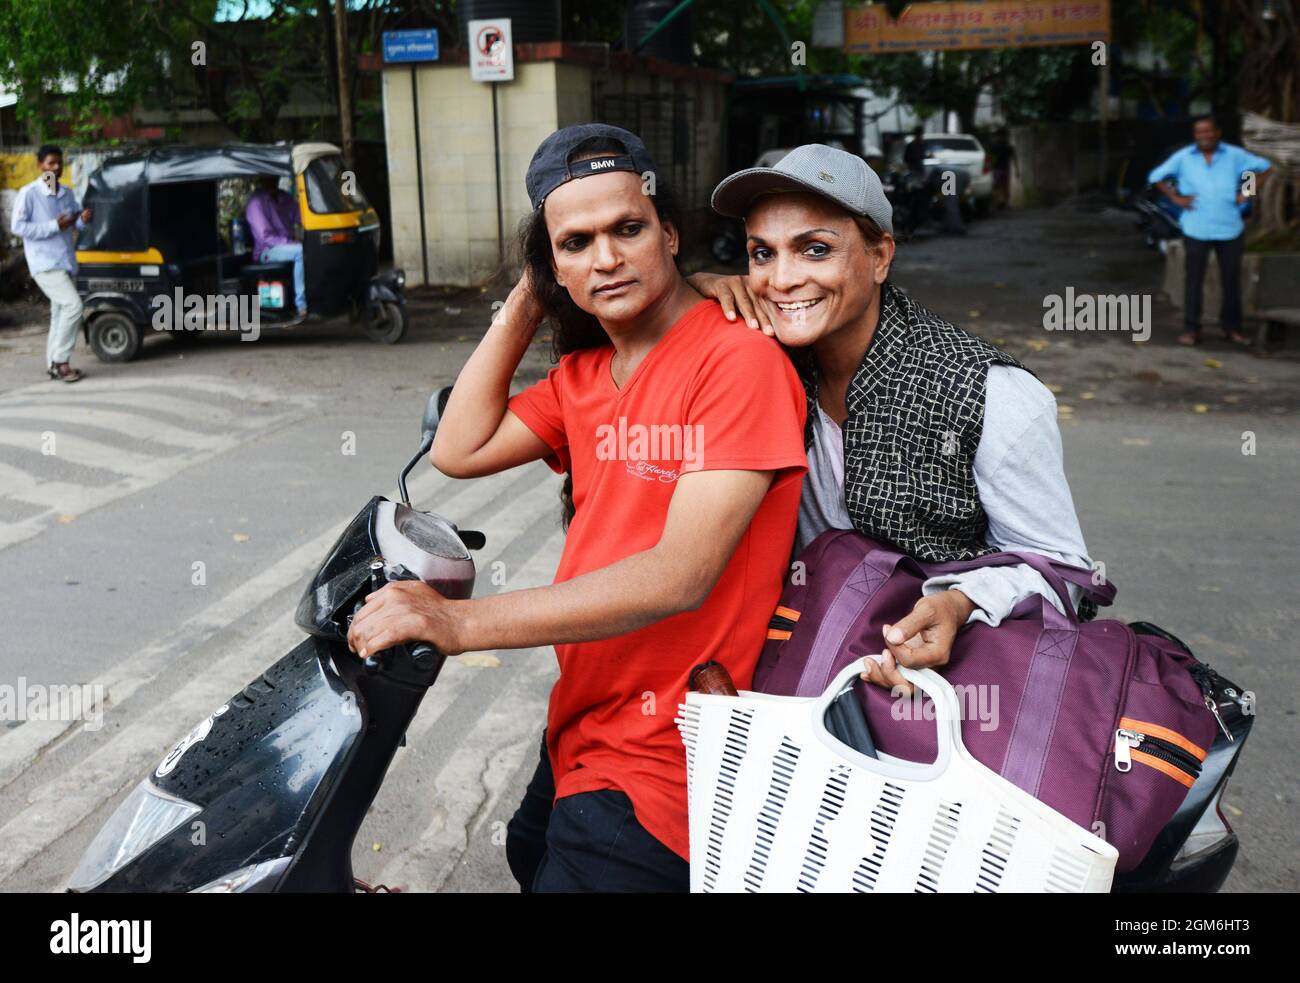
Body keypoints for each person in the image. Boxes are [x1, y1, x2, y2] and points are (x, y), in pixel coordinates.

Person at [344, 124, 808, 892]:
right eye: (576, 242)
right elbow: (458, 446)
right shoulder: (586, 375)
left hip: (669, 758)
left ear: (668, 234)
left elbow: (680, 574)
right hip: (583, 725)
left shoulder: (737, 360)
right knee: (527, 853)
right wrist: (530, 296)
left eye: (628, 229)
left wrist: (458, 622)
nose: (606, 258)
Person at [687, 144, 1092, 696]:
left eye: (814, 250)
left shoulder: (988, 390)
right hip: (795, 674)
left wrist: (962, 602)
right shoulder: (758, 359)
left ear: (880, 256)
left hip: (947, 703)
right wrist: (696, 289)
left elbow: (1064, 573)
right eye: (762, 254)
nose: (780, 280)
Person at [1149, 115, 1273, 347]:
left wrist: (1246, 193)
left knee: (1231, 280)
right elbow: (1156, 177)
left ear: (1217, 132)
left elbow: (1262, 167)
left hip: (1229, 227)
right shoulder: (1184, 157)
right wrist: (1176, 198)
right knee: (1193, 280)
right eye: (1199, 132)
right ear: (1195, 135)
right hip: (1196, 227)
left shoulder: (1234, 155)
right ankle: (1191, 329)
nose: (1204, 136)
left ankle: (1232, 329)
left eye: (1208, 131)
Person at [9, 144, 93, 382]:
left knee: (59, 313)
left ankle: (53, 364)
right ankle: (61, 361)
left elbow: (74, 223)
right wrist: (54, 225)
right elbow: (18, 227)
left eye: (59, 163)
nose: (55, 168)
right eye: (50, 163)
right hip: (44, 262)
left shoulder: (66, 192)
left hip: (65, 261)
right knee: (74, 306)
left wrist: (82, 220)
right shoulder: (29, 193)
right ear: (40, 165)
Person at [245, 175, 307, 321]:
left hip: (285, 245)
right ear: (261, 180)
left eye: (274, 177)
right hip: (267, 251)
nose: (273, 181)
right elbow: (265, 238)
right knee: (300, 251)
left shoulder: (284, 197)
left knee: (311, 248)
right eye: (269, 178)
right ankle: (302, 305)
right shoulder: (256, 203)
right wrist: (291, 243)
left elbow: (302, 216)